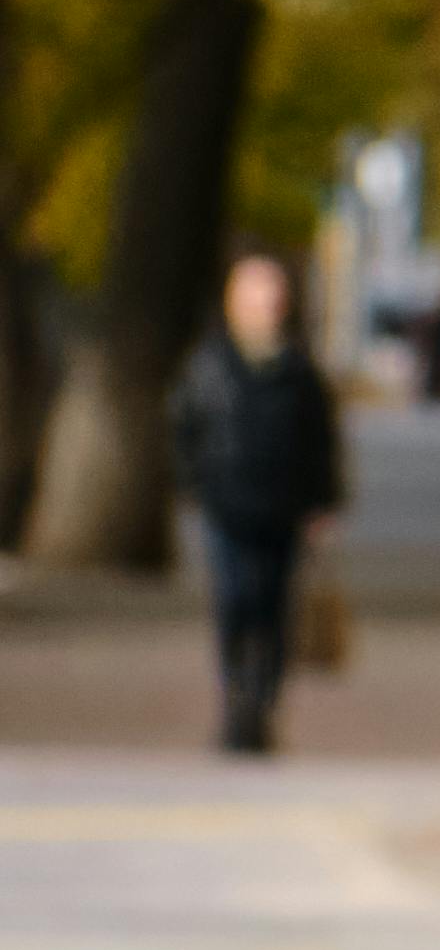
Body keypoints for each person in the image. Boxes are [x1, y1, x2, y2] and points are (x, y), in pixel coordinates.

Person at [169, 245, 350, 755]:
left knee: (273, 609)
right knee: (233, 604)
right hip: (227, 507)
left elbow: (320, 441)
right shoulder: (209, 365)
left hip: (284, 509)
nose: (265, 303)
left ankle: (262, 706)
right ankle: (234, 704)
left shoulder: (299, 371)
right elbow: (184, 428)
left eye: (272, 294)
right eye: (255, 292)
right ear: (234, 301)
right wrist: (196, 486)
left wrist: (322, 503)